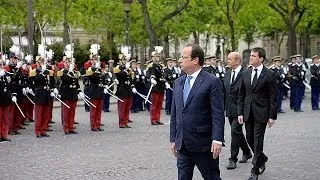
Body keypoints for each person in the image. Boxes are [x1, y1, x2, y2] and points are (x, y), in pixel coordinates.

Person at [170, 44, 225, 180]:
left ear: (195, 60)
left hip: (203, 144)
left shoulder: (212, 81)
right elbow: (175, 113)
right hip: (182, 144)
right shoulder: (178, 82)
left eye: (184, 57)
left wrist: (217, 139)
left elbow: (218, 113)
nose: (180, 60)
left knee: (211, 177)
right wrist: (173, 139)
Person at [238, 47, 277, 180]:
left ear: (261, 58)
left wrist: (272, 116)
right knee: (249, 138)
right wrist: (240, 112)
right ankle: (262, 158)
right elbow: (242, 94)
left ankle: (255, 169)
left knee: (258, 139)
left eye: (254, 56)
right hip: (248, 112)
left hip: (262, 112)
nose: (251, 58)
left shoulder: (270, 74)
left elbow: (273, 97)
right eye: (250, 56)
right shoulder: (245, 73)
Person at [224, 52, 252, 170]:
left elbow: (248, 93)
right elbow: (225, 92)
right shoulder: (227, 73)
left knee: (235, 131)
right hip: (230, 109)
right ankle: (247, 152)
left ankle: (233, 159)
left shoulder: (246, 73)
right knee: (237, 132)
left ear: (238, 61)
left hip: (241, 109)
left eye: (230, 59)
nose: (228, 61)